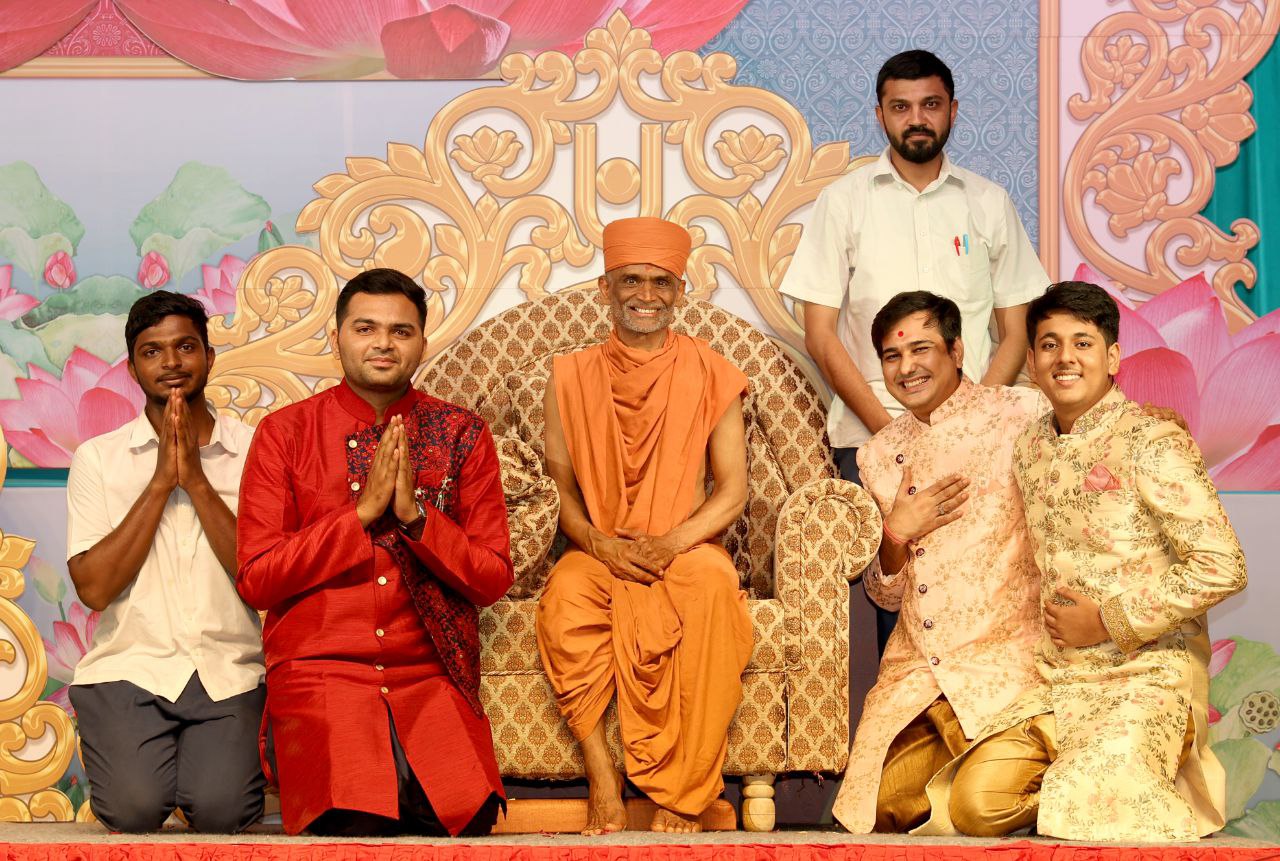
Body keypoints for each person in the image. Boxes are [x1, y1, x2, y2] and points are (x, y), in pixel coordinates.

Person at [917, 281, 1248, 841]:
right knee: (974, 807)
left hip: (1147, 675)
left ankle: (1121, 775)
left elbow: (1222, 565)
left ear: (1112, 357)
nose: (1064, 358)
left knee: (1089, 805)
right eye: (1049, 345)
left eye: (1082, 343)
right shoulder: (1031, 446)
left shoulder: (1153, 438)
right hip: (1060, 680)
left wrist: (1109, 620)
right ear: (1031, 363)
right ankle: (1099, 778)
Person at [779, 49, 1049, 652]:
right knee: (898, 605)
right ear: (880, 116)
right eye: (901, 107)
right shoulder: (845, 201)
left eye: (930, 104)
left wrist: (973, 423)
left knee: (998, 590)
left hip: (985, 439)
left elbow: (1015, 330)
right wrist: (893, 434)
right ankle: (907, 712)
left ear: (953, 110)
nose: (917, 119)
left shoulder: (987, 202)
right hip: (873, 435)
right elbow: (821, 334)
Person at [236, 267, 513, 836]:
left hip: (427, 671)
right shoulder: (285, 433)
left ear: (422, 343)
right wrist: (359, 516)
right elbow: (258, 579)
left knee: (466, 819)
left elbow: (491, 578)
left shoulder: (461, 433)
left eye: (400, 331)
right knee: (353, 820)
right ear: (336, 337)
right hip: (323, 669)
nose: (383, 343)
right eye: (366, 328)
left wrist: (416, 518)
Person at [536, 217, 754, 835]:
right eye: (631, 280)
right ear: (605, 287)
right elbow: (560, 489)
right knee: (564, 598)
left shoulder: (713, 372)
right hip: (600, 546)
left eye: (661, 282)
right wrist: (599, 543)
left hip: (685, 545)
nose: (646, 295)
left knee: (711, 588)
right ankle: (601, 776)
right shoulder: (568, 377)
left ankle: (683, 793)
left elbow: (733, 491)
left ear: (681, 290)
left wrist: (669, 543)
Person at [829, 291, 1044, 833]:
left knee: (980, 806)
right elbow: (884, 595)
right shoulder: (878, 454)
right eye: (892, 356)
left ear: (956, 350)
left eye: (921, 349)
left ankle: (1068, 775)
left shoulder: (1019, 413)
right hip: (920, 670)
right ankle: (972, 775)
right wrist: (897, 532)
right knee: (877, 809)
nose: (907, 368)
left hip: (1003, 659)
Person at [65, 291, 265, 832]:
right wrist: (160, 483)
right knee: (132, 810)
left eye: (186, 347)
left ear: (210, 356)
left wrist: (195, 480)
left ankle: (203, 769)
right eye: (152, 351)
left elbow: (262, 580)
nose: (171, 362)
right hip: (128, 668)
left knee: (224, 812)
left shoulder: (255, 450)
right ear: (132, 368)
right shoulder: (97, 459)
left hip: (229, 670)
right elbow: (94, 590)